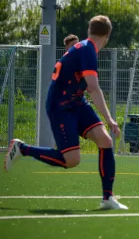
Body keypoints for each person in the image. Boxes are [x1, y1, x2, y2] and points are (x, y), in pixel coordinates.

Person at [4, 15, 127, 210]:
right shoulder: (88, 50)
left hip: (77, 103)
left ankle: (107, 199)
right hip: (60, 107)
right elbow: (94, 88)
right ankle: (23, 149)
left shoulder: (86, 49)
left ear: (89, 31)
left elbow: (85, 85)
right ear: (107, 35)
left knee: (105, 141)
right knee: (72, 160)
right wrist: (110, 119)